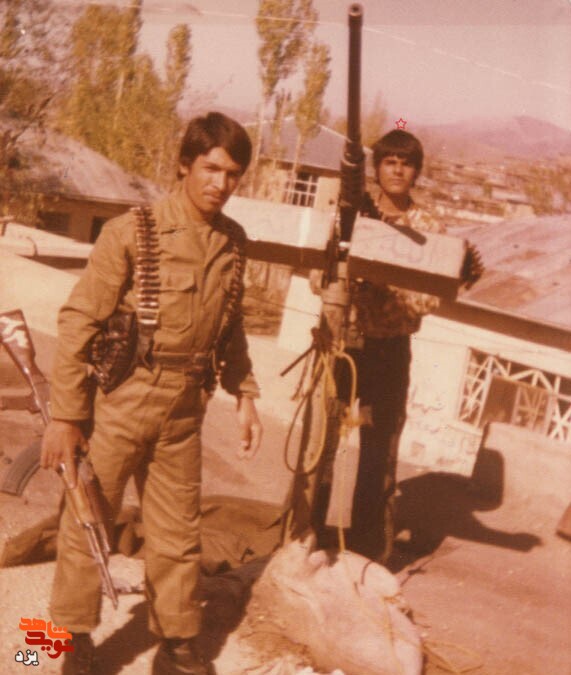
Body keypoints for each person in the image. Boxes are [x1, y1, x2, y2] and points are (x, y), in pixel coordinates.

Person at [40, 112, 263, 675]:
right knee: (88, 520)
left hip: (185, 408)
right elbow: (78, 322)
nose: (221, 183)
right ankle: (68, 640)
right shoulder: (132, 232)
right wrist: (66, 417)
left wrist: (245, 394)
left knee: (178, 533)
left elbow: (231, 328)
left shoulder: (234, 243)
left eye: (232, 174)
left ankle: (178, 642)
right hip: (123, 398)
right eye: (210, 168)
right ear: (185, 165)